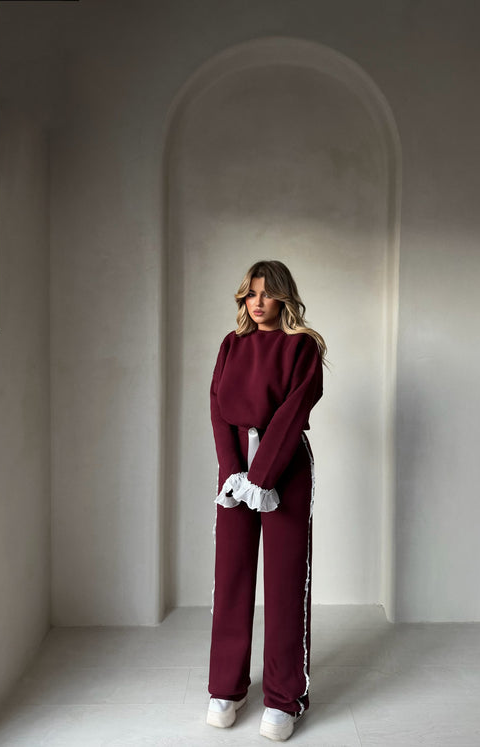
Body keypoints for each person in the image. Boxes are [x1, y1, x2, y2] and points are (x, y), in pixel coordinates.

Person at [206, 260, 326, 742]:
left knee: (285, 582)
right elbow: (217, 407)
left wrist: (262, 477)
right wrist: (234, 472)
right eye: (250, 293)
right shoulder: (231, 345)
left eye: (267, 293)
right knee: (231, 576)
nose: (257, 302)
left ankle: (283, 697)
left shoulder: (303, 346)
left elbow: (294, 410)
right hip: (235, 468)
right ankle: (226, 688)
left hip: (285, 467)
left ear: (283, 297)